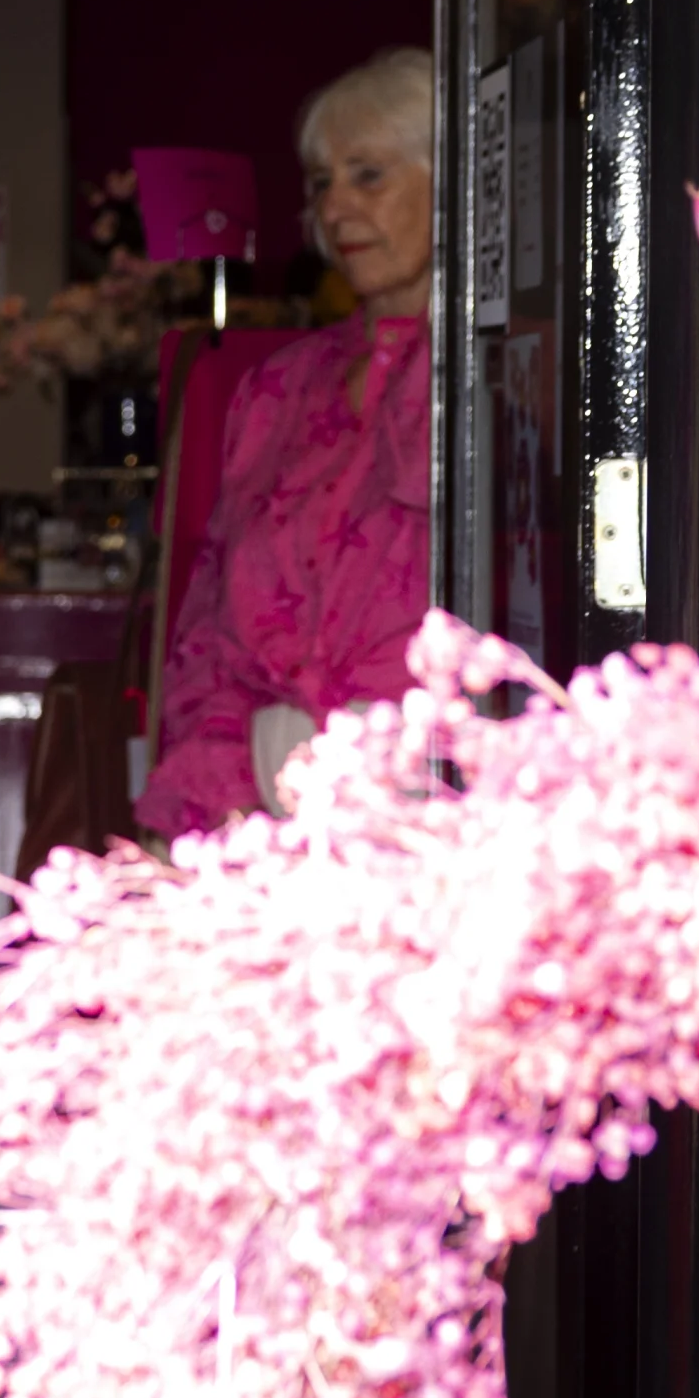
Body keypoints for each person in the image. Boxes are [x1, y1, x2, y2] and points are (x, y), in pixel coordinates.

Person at [132, 45, 434, 842]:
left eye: (368, 175)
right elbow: (206, 637)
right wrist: (192, 813)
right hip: (253, 807)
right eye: (322, 183)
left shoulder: (498, 379)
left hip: (432, 823)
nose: (336, 210)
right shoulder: (277, 388)